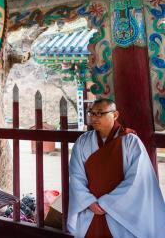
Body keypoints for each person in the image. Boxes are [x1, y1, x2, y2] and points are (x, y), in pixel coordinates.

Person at [68, 98, 165, 237]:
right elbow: (76, 176)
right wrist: (88, 201)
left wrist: (106, 203)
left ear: (115, 115)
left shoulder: (131, 141)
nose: (95, 117)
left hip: (120, 211)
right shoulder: (83, 142)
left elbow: (137, 180)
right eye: (92, 113)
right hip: (91, 209)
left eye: (100, 113)